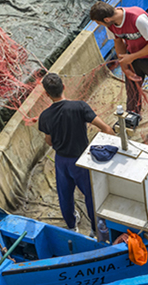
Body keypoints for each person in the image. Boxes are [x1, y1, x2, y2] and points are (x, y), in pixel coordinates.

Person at [37, 72, 113, 234]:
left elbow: (48, 141)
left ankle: (72, 225)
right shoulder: (80, 107)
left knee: (65, 194)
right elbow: (105, 128)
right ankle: (96, 229)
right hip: (81, 161)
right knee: (90, 195)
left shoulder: (44, 116)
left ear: (47, 94)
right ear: (63, 87)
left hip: (61, 161)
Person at [89, 1, 148, 139]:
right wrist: (125, 67)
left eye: (99, 23)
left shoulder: (137, 19)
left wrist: (131, 57)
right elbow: (118, 42)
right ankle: (133, 116)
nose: (100, 26)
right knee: (132, 88)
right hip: (134, 57)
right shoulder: (111, 25)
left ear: (106, 19)